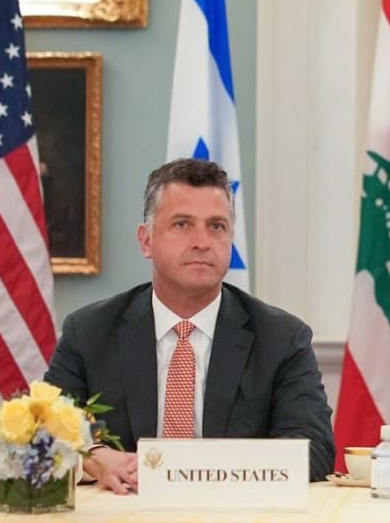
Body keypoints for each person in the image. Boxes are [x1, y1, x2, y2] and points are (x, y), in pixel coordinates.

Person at [44, 159, 335, 492]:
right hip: (122, 516)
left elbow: (314, 451)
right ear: (146, 241)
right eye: (182, 224)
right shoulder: (89, 333)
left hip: (233, 519)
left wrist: (199, 473)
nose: (202, 242)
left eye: (216, 226)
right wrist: (94, 457)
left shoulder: (281, 339)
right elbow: (42, 435)